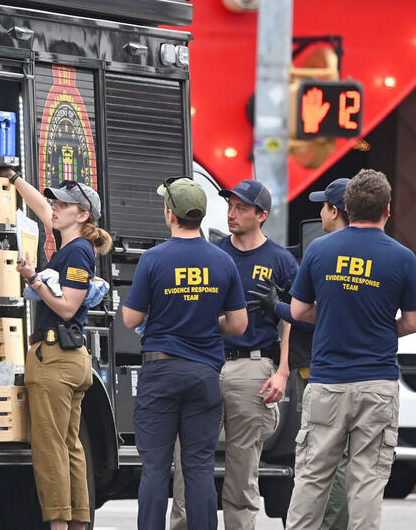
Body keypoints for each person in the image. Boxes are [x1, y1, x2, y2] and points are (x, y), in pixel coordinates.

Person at [282, 169, 416, 530]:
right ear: (387, 210)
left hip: (327, 381)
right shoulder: (403, 257)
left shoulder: (320, 249)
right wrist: (378, 327)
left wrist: (332, 317)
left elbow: (297, 312)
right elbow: (412, 323)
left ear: (346, 206)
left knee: (313, 478)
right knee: (366, 483)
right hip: (377, 384)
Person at [121, 177, 248, 530]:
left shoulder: (153, 259)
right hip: (204, 374)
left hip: (159, 373)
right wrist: (208, 321)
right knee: (199, 468)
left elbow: (132, 318)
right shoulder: (223, 261)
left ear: (169, 214)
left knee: (156, 469)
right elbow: (238, 324)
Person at [170, 179, 296, 530]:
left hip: (253, 366)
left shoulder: (281, 260)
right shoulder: (212, 252)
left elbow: (292, 320)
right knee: (188, 463)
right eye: (229, 205)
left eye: (241, 208)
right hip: (206, 363)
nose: (232, 213)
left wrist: (283, 371)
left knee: (243, 470)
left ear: (262, 215)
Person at [5, 169, 112, 530]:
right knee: (70, 448)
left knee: (50, 449)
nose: (55, 207)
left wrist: (33, 278)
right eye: (56, 201)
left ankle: (59, 525)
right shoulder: (69, 244)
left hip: (55, 359)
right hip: (68, 359)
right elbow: (40, 207)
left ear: (82, 215)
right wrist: (15, 178)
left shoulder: (79, 252)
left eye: (64, 204)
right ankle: (78, 522)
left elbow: (67, 306)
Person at [255, 177, 352, 530]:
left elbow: (307, 315)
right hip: (369, 375)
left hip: (325, 371)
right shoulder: (382, 252)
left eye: (324, 206)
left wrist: (277, 306)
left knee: (323, 459)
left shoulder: (322, 252)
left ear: (335, 211)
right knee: (349, 462)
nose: (321, 212)